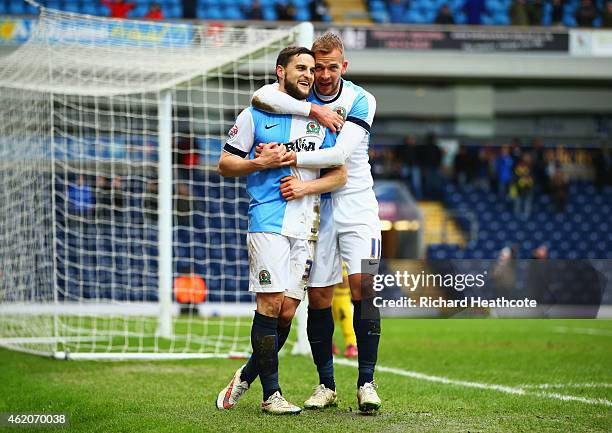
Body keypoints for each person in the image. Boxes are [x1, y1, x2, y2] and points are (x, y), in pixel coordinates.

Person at [251, 32, 382, 413]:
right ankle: (326, 385)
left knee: (365, 290)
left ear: (344, 66)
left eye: (330, 67)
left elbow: (341, 152)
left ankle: (367, 383)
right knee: (320, 296)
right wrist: (314, 111)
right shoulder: (304, 97)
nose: (323, 75)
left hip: (358, 203)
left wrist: (284, 155)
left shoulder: (361, 98)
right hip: (316, 207)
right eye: (318, 67)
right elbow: (261, 96)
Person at [215, 46, 347, 415]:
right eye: (300, 68)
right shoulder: (254, 114)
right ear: (280, 72)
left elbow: (339, 174)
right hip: (268, 221)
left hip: (306, 228)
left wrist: (306, 187)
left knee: (287, 312)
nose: (308, 74)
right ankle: (271, 395)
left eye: (311, 69)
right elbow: (225, 164)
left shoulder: (321, 123)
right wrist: (259, 162)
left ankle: (246, 375)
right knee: (269, 303)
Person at [331, 262, 358, 358]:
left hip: (342, 297)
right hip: (328, 297)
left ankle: (351, 345)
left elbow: (345, 282)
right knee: (328, 322)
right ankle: (330, 344)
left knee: (346, 321)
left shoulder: (345, 259)